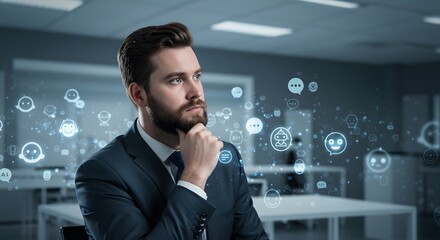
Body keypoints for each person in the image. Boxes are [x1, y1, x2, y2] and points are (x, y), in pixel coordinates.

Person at [75, 22, 269, 240]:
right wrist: (194, 177)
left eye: (197, 76)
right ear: (139, 94)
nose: (196, 92)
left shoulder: (226, 156)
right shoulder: (102, 173)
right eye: (176, 80)